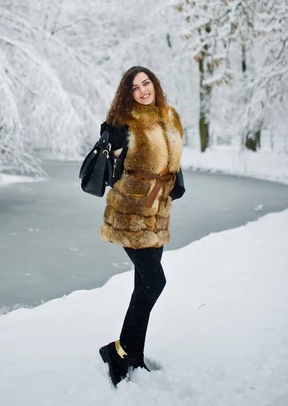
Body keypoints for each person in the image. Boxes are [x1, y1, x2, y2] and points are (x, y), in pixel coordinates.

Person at [98, 65, 184, 386]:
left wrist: (177, 182)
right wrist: (111, 134)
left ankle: (132, 353)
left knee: (142, 284)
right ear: (128, 93)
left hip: (158, 212)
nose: (143, 90)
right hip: (131, 213)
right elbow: (111, 151)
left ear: (154, 84)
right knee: (154, 281)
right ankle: (120, 350)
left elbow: (172, 157)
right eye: (135, 87)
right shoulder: (125, 123)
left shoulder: (170, 116)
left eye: (146, 83)